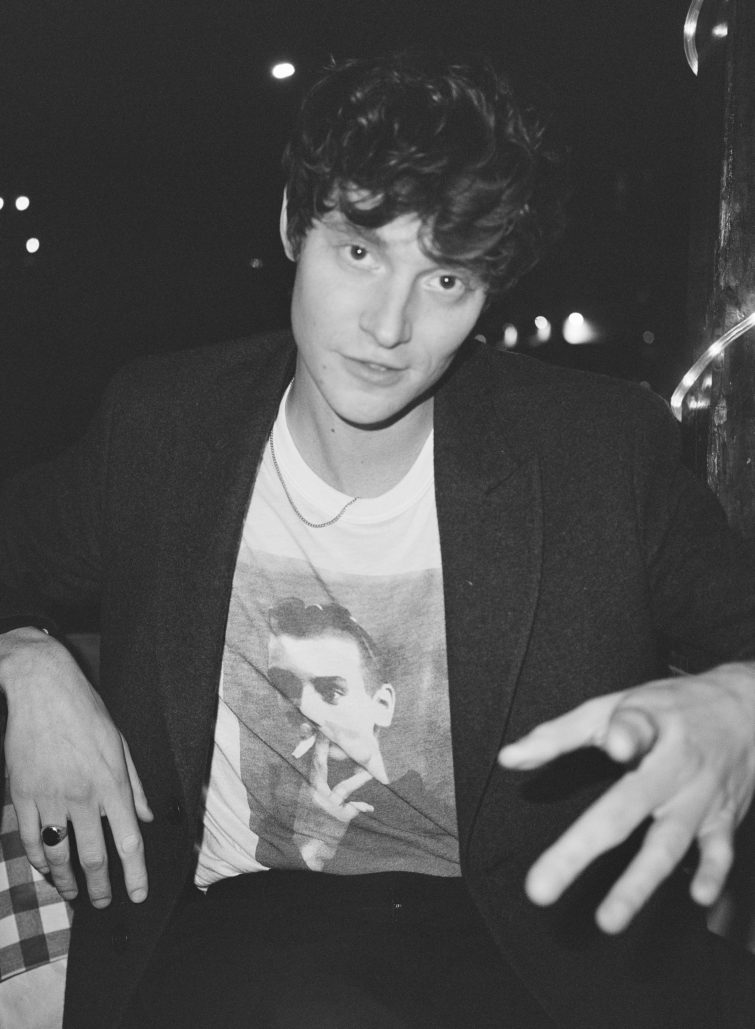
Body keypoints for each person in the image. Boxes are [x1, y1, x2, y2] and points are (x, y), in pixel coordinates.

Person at [1, 50, 755, 1029]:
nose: (389, 326)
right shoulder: (163, 425)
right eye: (358, 252)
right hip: (235, 932)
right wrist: (24, 660)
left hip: (521, 948)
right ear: (292, 224)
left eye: (443, 277)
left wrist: (741, 700)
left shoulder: (598, 451)